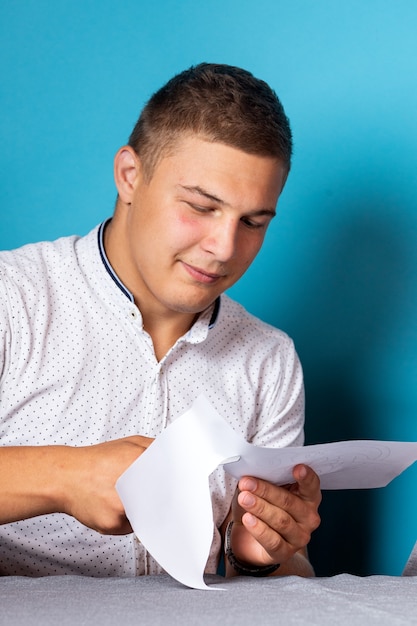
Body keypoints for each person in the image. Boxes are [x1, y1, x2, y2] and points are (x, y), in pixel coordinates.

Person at [0, 63, 321, 578]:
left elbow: (291, 576)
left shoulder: (270, 360)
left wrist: (257, 555)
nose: (224, 248)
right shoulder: (12, 300)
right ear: (130, 175)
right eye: (200, 207)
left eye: (253, 222)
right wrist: (62, 476)